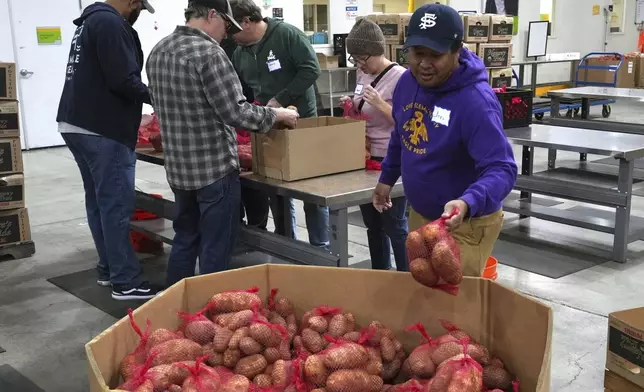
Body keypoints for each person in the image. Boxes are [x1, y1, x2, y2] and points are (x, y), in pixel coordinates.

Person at [146, 0, 299, 287]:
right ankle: (211, 318)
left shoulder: (159, 50)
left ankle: (176, 309)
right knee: (216, 248)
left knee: (185, 238)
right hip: (213, 170)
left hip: (179, 170)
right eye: (226, 25)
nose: (227, 34)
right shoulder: (209, 53)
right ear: (212, 14)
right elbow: (235, 111)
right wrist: (277, 115)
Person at [373, 3, 518, 277]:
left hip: (465, 222)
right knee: (422, 292)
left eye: (435, 55)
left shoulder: (476, 103)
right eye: (418, 53)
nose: (424, 64)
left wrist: (467, 202)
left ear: (456, 51)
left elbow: (503, 169)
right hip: (422, 214)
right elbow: (401, 133)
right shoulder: (407, 83)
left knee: (453, 302)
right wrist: (386, 179)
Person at [56, 0, 161, 301]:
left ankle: (109, 267)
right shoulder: (111, 23)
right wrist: (161, 97)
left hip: (76, 124)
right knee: (115, 205)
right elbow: (123, 80)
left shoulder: (89, 22)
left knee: (99, 202)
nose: (136, 14)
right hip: (102, 128)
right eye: (137, 8)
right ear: (131, 2)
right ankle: (126, 281)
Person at [229, 0, 330, 248]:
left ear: (247, 21)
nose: (230, 36)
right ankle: (287, 243)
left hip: (301, 124)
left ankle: (321, 246)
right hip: (267, 127)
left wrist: (280, 100)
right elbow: (242, 88)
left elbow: (311, 69)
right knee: (276, 186)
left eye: (233, 29)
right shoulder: (240, 52)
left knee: (311, 190)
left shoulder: (286, 35)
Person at [340, 19, 409, 271]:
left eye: (361, 57)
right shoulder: (362, 73)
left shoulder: (402, 78)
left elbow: (408, 122)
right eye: (354, 59)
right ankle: (380, 273)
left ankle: (406, 277)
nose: (359, 64)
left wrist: (380, 103)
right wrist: (351, 105)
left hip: (389, 160)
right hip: (365, 158)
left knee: (394, 225)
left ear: (376, 50)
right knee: (373, 223)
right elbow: (362, 106)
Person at [221, 35, 271, 231]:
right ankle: (248, 232)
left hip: (251, 121)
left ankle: (256, 231)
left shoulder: (236, 46)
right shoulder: (225, 50)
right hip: (242, 122)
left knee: (254, 190)